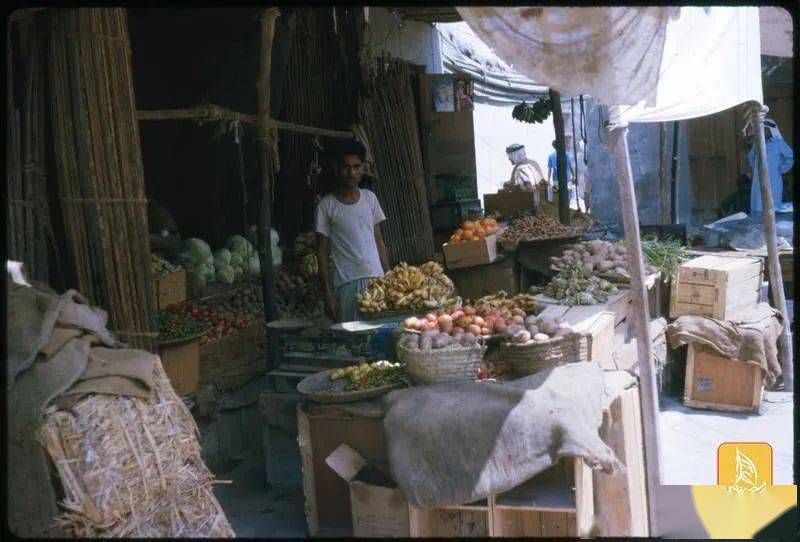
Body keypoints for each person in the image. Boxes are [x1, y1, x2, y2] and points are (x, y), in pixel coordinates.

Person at [316, 140, 390, 322]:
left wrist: (389, 276)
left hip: (377, 279)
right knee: (354, 340)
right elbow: (322, 252)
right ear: (336, 169)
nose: (352, 173)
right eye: (346, 167)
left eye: (357, 167)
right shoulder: (326, 205)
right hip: (347, 283)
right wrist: (327, 294)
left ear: (363, 168)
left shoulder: (370, 199)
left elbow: (378, 240)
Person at [748, 119, 794, 214]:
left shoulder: (779, 144)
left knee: (773, 208)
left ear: (770, 130)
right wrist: (757, 169)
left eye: (764, 130)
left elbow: (790, 158)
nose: (762, 132)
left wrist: (780, 169)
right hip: (758, 182)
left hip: (774, 181)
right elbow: (751, 157)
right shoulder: (757, 144)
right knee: (758, 206)